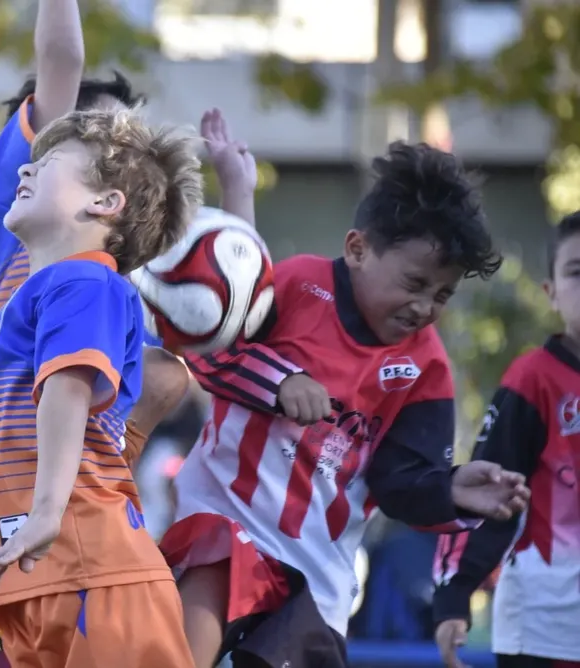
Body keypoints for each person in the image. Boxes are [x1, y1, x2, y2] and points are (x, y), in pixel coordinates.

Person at [157, 140, 532, 668]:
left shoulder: (427, 369)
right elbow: (207, 350)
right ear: (357, 249)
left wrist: (450, 490)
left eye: (443, 295)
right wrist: (280, 382)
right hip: (223, 522)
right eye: (414, 283)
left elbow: (400, 483)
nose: (425, 306)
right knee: (182, 650)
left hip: (316, 576)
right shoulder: (294, 285)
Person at [0, 105, 203, 667]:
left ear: (105, 203)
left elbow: (68, 391)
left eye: (50, 161)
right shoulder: (27, 301)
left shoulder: (84, 278)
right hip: (48, 571)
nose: (24, 171)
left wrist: (46, 513)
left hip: (93, 567)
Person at [0, 0, 195, 472]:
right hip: (27, 480)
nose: (132, 160)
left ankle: (104, 467)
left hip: (66, 501)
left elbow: (177, 371)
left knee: (169, 372)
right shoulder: (22, 204)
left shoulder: (106, 277)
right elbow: (62, 59)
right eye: (113, 142)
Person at [433, 212, 580, 668]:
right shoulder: (532, 379)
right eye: (577, 272)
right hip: (542, 631)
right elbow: (488, 495)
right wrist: (454, 596)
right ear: (551, 292)